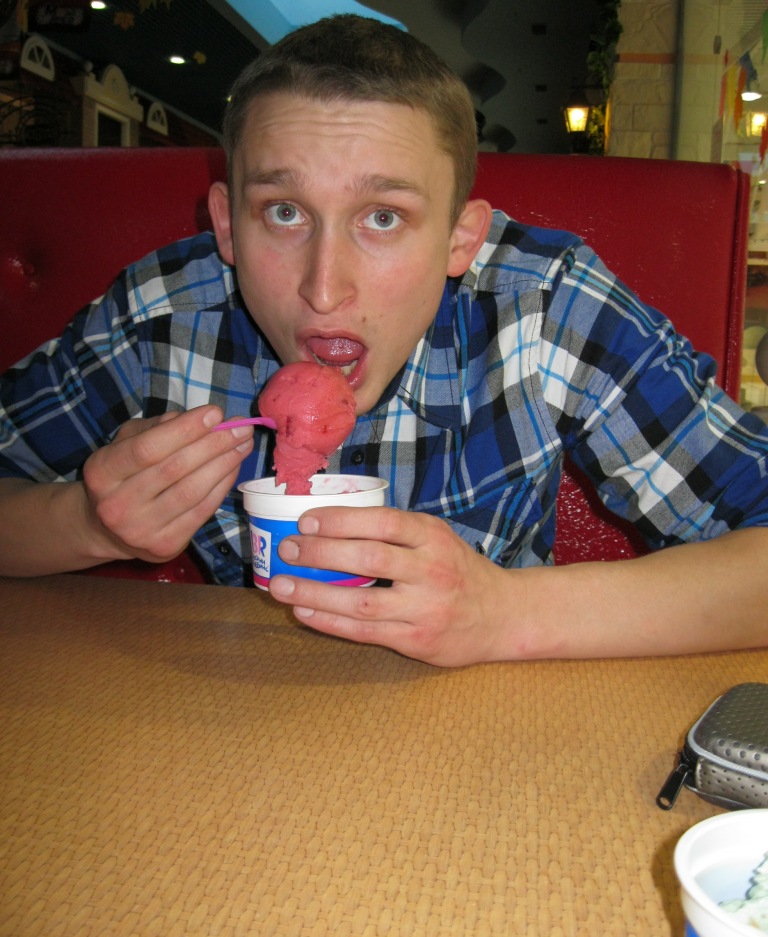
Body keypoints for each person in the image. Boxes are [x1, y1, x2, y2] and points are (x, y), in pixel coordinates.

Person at [1, 15, 767, 666]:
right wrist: (85, 520)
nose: (324, 287)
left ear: (461, 238)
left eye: (383, 218)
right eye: (284, 212)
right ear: (228, 225)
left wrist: (504, 613)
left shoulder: (545, 304)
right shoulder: (166, 314)